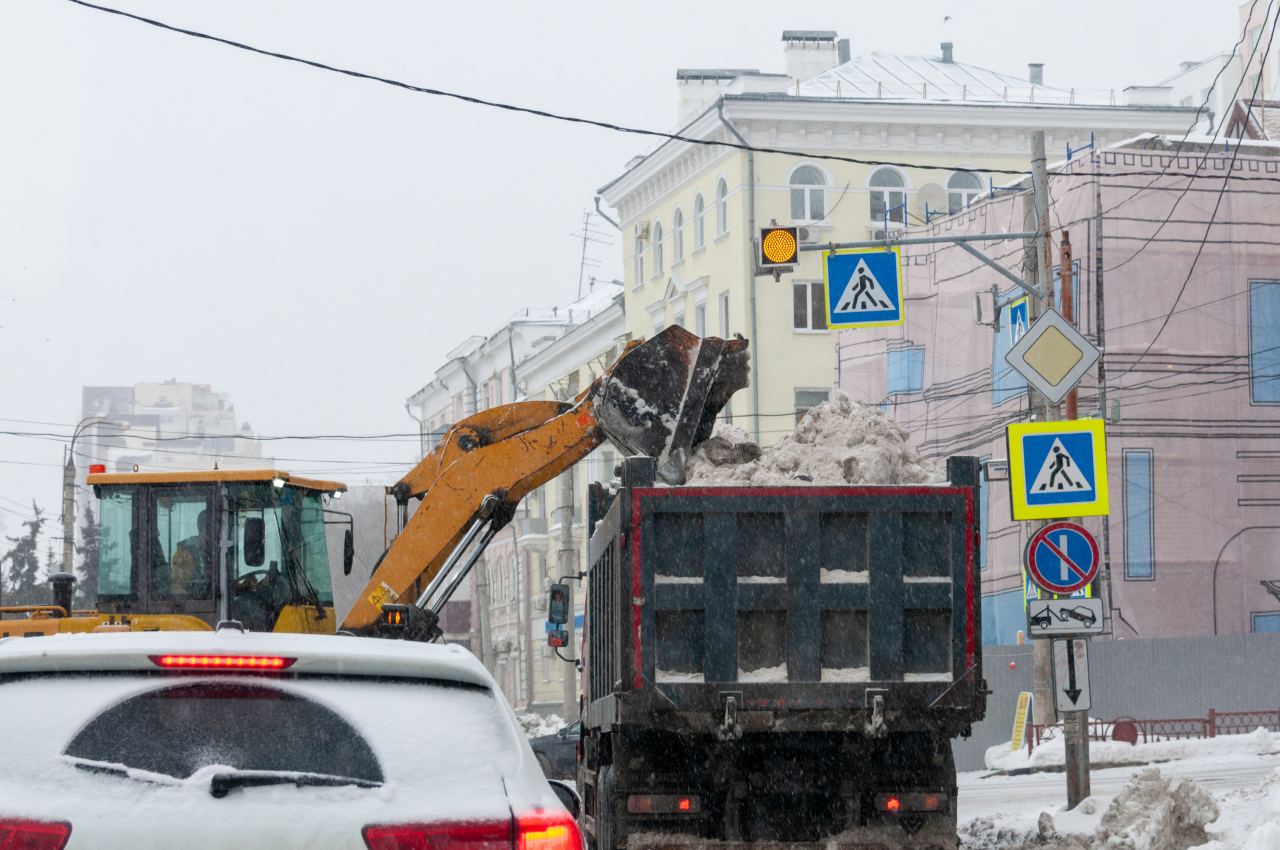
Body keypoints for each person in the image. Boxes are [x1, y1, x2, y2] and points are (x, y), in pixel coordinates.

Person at [171, 509, 210, 590]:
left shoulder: (207, 551)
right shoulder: (184, 555)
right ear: (201, 531)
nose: (217, 538)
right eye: (211, 533)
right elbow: (181, 587)